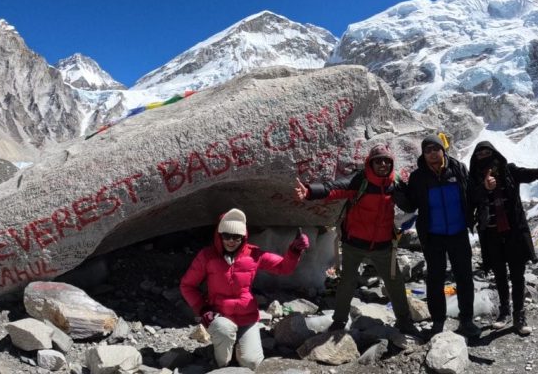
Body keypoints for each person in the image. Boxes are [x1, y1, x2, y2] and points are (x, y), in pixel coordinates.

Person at [294, 144, 419, 336]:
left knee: (394, 283)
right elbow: (333, 188)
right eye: (378, 161)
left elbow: (410, 204)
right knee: (347, 282)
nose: (383, 164)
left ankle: (404, 321)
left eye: (387, 161)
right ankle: (339, 321)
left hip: (383, 244)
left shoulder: (395, 184)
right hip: (355, 243)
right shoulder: (359, 180)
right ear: (370, 163)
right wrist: (310, 192)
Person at [468, 141, 538, 335]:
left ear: (495, 154)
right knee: (500, 275)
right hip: (491, 235)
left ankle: (519, 315)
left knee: (517, 275)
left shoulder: (510, 172)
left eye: (488, 153)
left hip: (514, 233)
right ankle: (504, 312)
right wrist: (485, 188)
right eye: (480, 154)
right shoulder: (474, 181)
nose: (484, 157)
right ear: (475, 159)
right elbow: (470, 202)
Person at [180, 208, 309, 369]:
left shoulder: (254, 254)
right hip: (219, 317)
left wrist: (294, 251)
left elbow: (283, 267)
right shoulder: (207, 256)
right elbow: (187, 285)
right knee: (224, 330)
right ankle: (222, 366)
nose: (231, 241)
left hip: (247, 318)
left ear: (244, 237)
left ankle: (234, 347)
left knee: (251, 362)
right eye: (227, 235)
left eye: (237, 237)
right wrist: (203, 309)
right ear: (219, 235)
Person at [394, 134, 481, 339]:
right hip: (433, 236)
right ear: (423, 155)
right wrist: (397, 191)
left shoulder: (458, 169)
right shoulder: (418, 177)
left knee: (464, 277)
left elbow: (471, 195)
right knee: (435, 279)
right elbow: (410, 204)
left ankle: (466, 320)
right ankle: (438, 322)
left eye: (436, 149)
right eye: (427, 150)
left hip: (458, 232)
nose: (432, 154)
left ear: (443, 150)